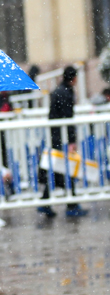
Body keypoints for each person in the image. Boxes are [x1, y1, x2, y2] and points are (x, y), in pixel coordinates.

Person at [37, 66, 88, 218]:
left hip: (56, 135)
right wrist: (71, 139)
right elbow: (68, 117)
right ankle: (70, 205)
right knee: (66, 168)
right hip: (62, 137)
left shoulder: (58, 91)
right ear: (74, 78)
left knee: (58, 168)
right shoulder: (66, 92)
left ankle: (47, 202)